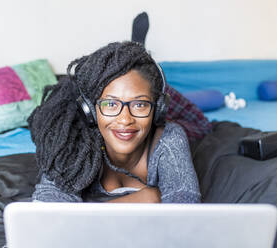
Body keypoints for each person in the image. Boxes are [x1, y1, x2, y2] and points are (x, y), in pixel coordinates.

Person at [28, 41, 202, 203]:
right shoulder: (71, 144)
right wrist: (146, 198)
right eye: (110, 104)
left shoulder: (170, 139)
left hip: (180, 123)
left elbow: (185, 207)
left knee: (201, 125)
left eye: (139, 104)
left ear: (157, 109)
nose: (125, 119)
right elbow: (49, 210)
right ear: (90, 110)